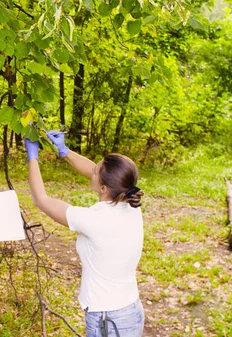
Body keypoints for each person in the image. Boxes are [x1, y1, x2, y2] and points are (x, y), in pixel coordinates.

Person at [25, 130, 145, 337]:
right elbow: (95, 172)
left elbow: (41, 200)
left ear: (104, 187)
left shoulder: (94, 219)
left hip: (109, 320)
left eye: (96, 170)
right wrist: (64, 151)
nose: (92, 170)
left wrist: (32, 157)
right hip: (130, 310)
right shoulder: (131, 203)